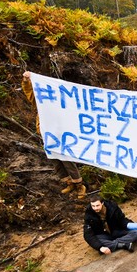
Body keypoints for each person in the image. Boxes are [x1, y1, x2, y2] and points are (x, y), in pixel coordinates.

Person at [21, 71, 86, 199]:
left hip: (62, 135)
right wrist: (26, 81)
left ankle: (79, 186)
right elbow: (29, 93)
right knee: (55, 161)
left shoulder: (63, 103)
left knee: (67, 160)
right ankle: (69, 183)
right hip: (47, 135)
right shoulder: (40, 101)